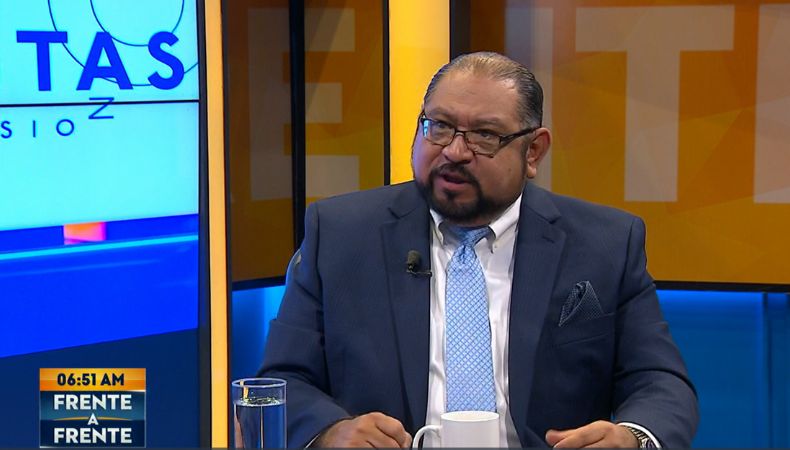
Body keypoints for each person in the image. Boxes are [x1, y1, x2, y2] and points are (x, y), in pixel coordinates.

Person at [260, 51, 698, 448]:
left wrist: (632, 438)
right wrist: (329, 432)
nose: (454, 151)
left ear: (533, 151)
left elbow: (661, 383)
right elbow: (283, 380)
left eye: (484, 135)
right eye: (439, 126)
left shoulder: (606, 243)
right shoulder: (340, 234)